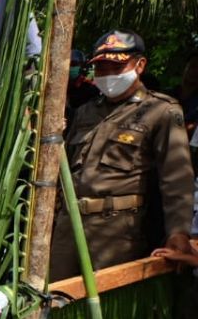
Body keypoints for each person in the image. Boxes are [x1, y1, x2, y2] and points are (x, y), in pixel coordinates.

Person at [48, 30, 194, 281]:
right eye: (101, 67)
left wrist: (178, 232)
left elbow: (176, 179)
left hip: (116, 230)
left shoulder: (160, 111)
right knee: (58, 299)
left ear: (140, 65)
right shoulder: (85, 112)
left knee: (106, 307)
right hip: (68, 226)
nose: (107, 74)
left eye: (116, 66)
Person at [65, 48, 100, 132]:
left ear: (82, 67)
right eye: (68, 64)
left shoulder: (90, 89)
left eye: (74, 64)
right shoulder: (55, 87)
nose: (70, 67)